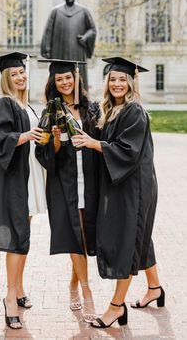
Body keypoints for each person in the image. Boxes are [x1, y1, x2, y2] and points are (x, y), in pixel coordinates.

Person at [73, 57, 165, 328]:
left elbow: (127, 151)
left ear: (131, 82)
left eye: (122, 79)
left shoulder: (134, 111)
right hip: (124, 183)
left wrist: (94, 143)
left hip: (134, 186)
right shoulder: (111, 110)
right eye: (112, 79)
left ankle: (116, 307)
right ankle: (155, 288)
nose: (117, 84)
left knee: (128, 240)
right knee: (139, 235)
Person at [35, 59, 100, 322]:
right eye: (59, 79)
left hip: (91, 182)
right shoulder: (50, 112)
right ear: (54, 82)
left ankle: (73, 284)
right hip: (64, 184)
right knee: (75, 236)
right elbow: (44, 154)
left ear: (76, 79)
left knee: (84, 238)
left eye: (68, 78)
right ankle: (87, 292)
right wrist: (55, 140)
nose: (65, 82)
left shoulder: (92, 109)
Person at [0, 52, 44, 329]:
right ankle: (9, 297)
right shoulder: (5, 103)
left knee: (24, 235)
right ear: (6, 78)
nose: (20, 77)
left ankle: (19, 290)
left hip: (28, 177)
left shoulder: (26, 105)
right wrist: (28, 135)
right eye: (14, 74)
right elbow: (1, 141)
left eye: (22, 72)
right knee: (18, 237)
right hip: (14, 179)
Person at [40, 0, 96, 89]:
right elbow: (48, 31)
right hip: (59, 51)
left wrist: (85, 37)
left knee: (79, 76)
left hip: (77, 50)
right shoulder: (56, 11)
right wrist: (46, 49)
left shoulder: (83, 11)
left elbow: (92, 29)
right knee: (59, 74)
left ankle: (81, 98)